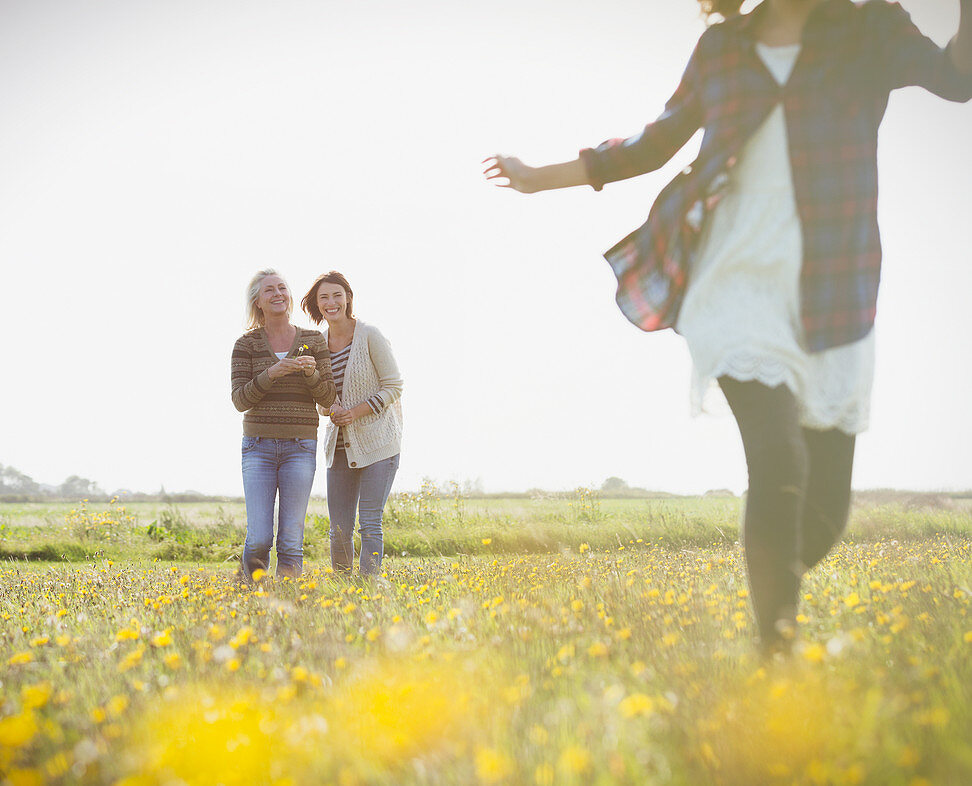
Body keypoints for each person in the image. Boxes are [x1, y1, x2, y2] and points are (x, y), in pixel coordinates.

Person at [484, 0, 972, 652]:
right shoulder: (722, 50)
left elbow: (956, 78)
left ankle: (772, 607)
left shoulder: (869, 30)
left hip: (833, 287)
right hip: (732, 280)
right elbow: (654, 143)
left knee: (824, 509)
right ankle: (776, 657)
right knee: (778, 460)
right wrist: (540, 178)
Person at [231, 269, 336, 580]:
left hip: (300, 447)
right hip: (258, 447)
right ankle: (249, 591)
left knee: (290, 538)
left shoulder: (313, 341)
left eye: (282, 288)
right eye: (269, 290)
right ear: (258, 302)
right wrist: (271, 374)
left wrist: (311, 374)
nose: (278, 294)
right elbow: (240, 400)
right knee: (260, 536)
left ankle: (289, 600)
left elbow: (328, 398)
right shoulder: (246, 345)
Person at [301, 271, 403, 578]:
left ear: (348, 299)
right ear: (317, 306)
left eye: (337, 295)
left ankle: (368, 585)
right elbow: (320, 398)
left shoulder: (370, 334)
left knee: (369, 522)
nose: (331, 302)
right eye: (324, 298)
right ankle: (343, 587)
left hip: (379, 443)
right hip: (339, 445)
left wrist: (356, 412)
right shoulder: (316, 343)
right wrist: (330, 408)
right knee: (339, 528)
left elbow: (394, 386)